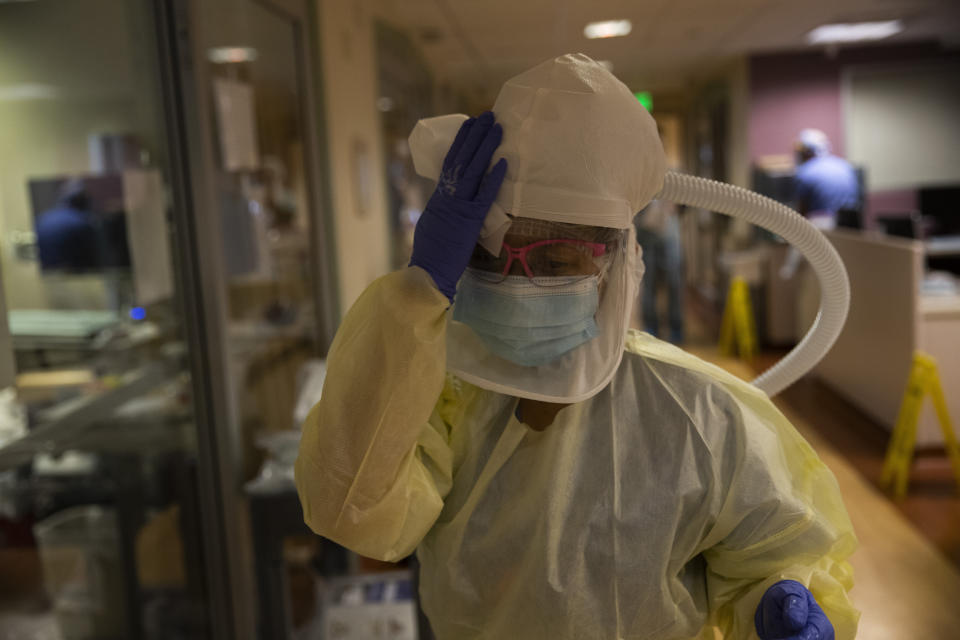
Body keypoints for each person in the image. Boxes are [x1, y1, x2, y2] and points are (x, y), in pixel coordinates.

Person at [296, 55, 858, 640]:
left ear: (615, 264)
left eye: (554, 261)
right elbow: (353, 509)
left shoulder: (701, 410)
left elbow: (773, 554)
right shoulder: (440, 395)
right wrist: (416, 295)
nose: (519, 282)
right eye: (488, 258)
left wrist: (783, 598)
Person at [635, 198, 684, 344]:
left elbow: (687, 201)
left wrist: (678, 207)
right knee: (648, 283)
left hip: (669, 230)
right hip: (645, 230)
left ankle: (676, 327)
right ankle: (651, 326)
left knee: (674, 281)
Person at [792, 129, 859, 228]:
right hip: (852, 222)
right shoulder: (844, 165)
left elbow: (802, 211)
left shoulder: (805, 171)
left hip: (823, 225)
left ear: (807, 151)